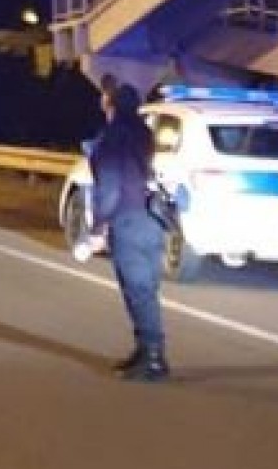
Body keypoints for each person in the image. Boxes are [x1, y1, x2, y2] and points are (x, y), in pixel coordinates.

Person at [87, 83, 171, 382]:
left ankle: (153, 359)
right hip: (151, 218)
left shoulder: (113, 137)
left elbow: (109, 185)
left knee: (138, 291)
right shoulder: (143, 133)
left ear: (111, 104)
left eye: (104, 98)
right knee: (145, 289)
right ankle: (144, 350)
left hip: (129, 220)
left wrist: (99, 227)